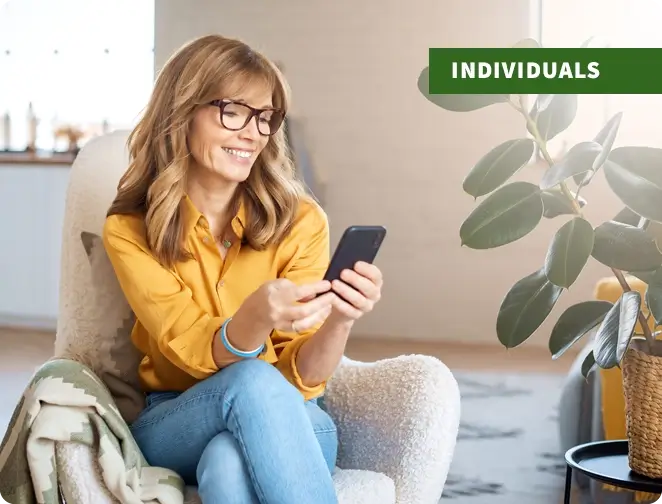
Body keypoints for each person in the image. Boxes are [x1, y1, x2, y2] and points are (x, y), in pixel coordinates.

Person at [101, 34, 384, 504]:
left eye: (265, 117)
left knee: (230, 463)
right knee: (251, 379)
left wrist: (341, 318)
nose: (252, 132)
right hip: (176, 418)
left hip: (293, 416)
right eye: (233, 111)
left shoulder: (302, 221)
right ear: (181, 114)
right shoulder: (130, 230)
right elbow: (190, 347)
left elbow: (302, 380)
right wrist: (257, 316)